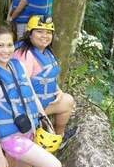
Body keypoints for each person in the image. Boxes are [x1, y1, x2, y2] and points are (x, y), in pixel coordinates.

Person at [0, 26, 61, 167]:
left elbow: (32, 95)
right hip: (11, 137)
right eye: (0, 45)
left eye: (9, 45)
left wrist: (44, 119)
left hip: (29, 129)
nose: (6, 50)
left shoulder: (17, 65)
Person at [14, 15, 76, 145]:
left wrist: (58, 91)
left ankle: (59, 138)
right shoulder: (24, 54)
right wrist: (39, 113)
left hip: (45, 102)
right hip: (28, 107)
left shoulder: (46, 52)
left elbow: (48, 77)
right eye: (39, 31)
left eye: (48, 32)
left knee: (68, 101)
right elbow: (21, 86)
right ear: (29, 34)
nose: (45, 36)